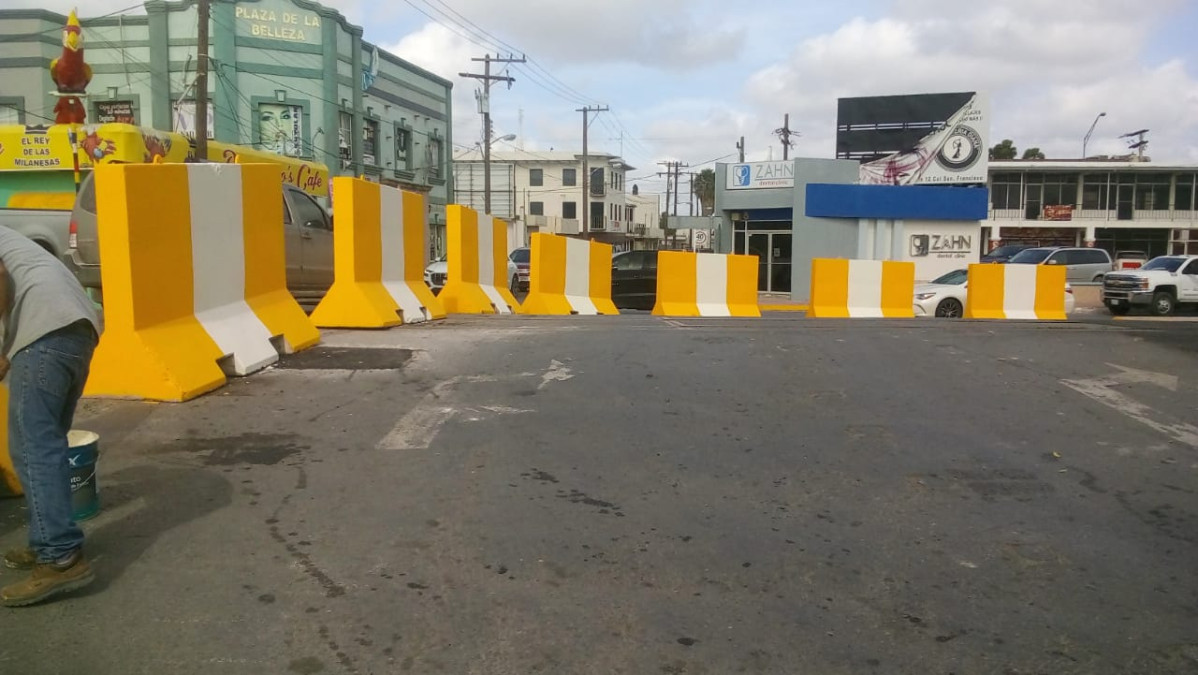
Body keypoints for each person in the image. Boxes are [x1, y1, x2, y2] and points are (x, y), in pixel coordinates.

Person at [0, 225, 99, 607]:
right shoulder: (12, 238)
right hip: (76, 332)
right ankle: (48, 539)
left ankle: (59, 557)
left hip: (46, 336)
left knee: (32, 448)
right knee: (45, 446)